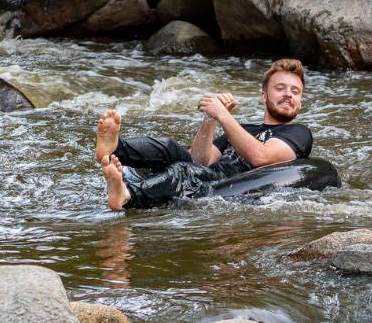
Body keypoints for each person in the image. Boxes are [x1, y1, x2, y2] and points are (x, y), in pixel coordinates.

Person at [95, 58, 313, 210]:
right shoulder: (243, 129)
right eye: (280, 88)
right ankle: (114, 147)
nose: (288, 95)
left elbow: (261, 157)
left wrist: (224, 117)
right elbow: (200, 159)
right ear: (264, 96)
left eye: (295, 92)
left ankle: (128, 195)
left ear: (300, 103)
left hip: (231, 184)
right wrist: (211, 118)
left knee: (182, 171)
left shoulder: (299, 133)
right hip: (210, 174)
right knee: (170, 148)